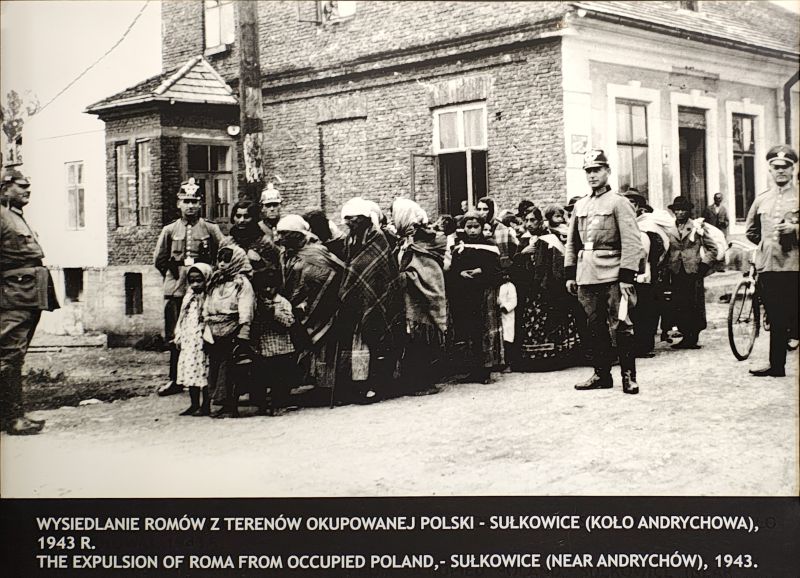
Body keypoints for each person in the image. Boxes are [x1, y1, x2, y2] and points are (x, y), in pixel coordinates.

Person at [565, 149, 644, 394]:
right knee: (594, 326)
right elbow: (571, 243)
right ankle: (601, 374)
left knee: (621, 325)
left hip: (612, 273)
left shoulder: (619, 203)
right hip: (586, 274)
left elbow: (632, 242)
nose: (592, 175)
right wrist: (570, 273)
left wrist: (626, 277)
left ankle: (628, 377)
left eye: (596, 170)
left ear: (607, 172)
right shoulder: (580, 205)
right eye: (588, 171)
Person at [0, 169, 59, 435]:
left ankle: (11, 416)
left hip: (26, 295)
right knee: (10, 356)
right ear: (4, 188)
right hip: (13, 297)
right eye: (21, 186)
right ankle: (13, 418)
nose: (28, 190)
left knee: (15, 355)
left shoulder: (14, 216)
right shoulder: (2, 218)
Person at [153, 178, 224, 397]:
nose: (191, 205)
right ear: (178, 204)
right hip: (178, 292)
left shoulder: (210, 229)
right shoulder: (169, 230)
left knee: (206, 335)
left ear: (200, 203)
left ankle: (207, 380)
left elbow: (223, 252)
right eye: (186, 201)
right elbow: (159, 259)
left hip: (204, 293)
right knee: (177, 337)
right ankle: (175, 380)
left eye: (194, 201)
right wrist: (175, 278)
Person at [332, 197, 405, 403]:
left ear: (363, 218)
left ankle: (379, 386)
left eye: (352, 219)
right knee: (358, 347)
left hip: (377, 298)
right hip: (357, 301)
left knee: (378, 344)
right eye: (346, 219)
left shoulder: (377, 238)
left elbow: (372, 268)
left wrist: (355, 280)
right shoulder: (350, 239)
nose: (348, 223)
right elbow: (350, 265)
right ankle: (358, 386)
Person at [745, 145, 799, 377]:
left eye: (785, 167)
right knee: (776, 316)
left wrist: (794, 229)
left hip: (796, 265)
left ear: (793, 169)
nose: (781, 171)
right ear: (770, 170)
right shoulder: (762, 200)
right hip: (770, 267)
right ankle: (777, 366)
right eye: (776, 168)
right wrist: (767, 244)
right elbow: (751, 231)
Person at [276, 214, 344, 394]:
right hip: (294, 304)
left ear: (297, 234)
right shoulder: (285, 253)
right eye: (279, 233)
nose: (280, 238)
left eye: (284, 233)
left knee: (322, 345)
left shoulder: (316, 251)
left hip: (319, 305)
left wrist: (308, 297)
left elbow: (332, 272)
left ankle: (326, 385)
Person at [513, 204, 582, 370]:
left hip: (547, 289)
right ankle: (534, 359)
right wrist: (523, 253)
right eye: (526, 220)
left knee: (550, 322)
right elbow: (515, 263)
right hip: (530, 289)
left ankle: (553, 358)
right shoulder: (523, 239)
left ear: (540, 221)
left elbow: (556, 264)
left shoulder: (550, 238)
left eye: (533, 220)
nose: (529, 223)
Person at [392, 198, 448, 395]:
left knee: (420, 339)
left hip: (419, 298)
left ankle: (423, 383)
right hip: (410, 296)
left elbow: (428, 271)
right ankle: (415, 381)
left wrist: (405, 276)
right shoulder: (407, 239)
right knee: (413, 340)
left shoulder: (420, 239)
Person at [449, 210, 503, 383]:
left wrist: (482, 271)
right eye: (468, 227)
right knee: (469, 331)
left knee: (484, 331)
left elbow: (497, 271)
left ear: (482, 227)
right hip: (465, 295)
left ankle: (486, 370)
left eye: (476, 227)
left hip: (483, 294)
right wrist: (460, 273)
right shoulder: (459, 248)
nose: (472, 231)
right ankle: (472, 368)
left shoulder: (490, 247)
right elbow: (453, 270)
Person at [203, 243, 255, 418]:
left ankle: (231, 405)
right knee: (215, 368)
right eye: (220, 260)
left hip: (231, 328)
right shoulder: (215, 280)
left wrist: (244, 329)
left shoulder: (242, 283)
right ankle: (220, 401)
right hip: (214, 329)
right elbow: (207, 301)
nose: (222, 264)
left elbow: (246, 307)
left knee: (230, 370)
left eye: (227, 260)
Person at [664, 196, 718, 349]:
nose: (680, 213)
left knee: (694, 304)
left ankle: (693, 336)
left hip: (693, 271)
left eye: (683, 210)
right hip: (675, 271)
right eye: (677, 210)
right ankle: (684, 335)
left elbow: (713, 249)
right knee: (679, 304)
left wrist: (704, 265)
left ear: (688, 212)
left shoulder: (697, 227)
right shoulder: (670, 228)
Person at [625, 190, 668, 357]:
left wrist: (649, 265)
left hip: (647, 273)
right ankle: (637, 344)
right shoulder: (629, 223)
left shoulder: (647, 224)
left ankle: (645, 345)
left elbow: (658, 247)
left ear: (638, 206)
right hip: (633, 272)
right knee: (635, 309)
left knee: (645, 309)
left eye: (632, 204)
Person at [252, 267, 296, 415]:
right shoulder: (257, 303)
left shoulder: (282, 302)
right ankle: (263, 405)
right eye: (264, 287)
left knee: (281, 380)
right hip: (264, 348)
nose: (268, 289)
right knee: (263, 379)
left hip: (282, 348)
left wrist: (274, 312)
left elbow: (289, 322)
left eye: (271, 286)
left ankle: (279, 404)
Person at [173, 263, 213, 416]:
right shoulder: (189, 296)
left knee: (204, 371)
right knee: (191, 370)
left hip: (203, 340)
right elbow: (182, 317)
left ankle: (206, 405)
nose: (195, 284)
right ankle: (194, 403)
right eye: (192, 280)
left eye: (199, 280)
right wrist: (179, 334)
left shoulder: (209, 296)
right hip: (190, 339)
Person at [476, 197, 519, 270]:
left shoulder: (503, 229)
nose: (481, 212)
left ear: (492, 211)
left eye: (485, 209)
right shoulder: (475, 227)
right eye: (479, 209)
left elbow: (513, 252)